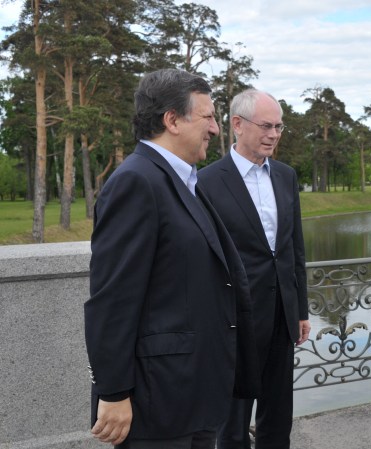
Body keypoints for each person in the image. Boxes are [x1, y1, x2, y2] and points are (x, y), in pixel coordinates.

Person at [84, 68, 259, 448]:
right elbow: (113, 299)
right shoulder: (136, 182)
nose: (215, 129)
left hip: (192, 393)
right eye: (209, 117)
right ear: (172, 120)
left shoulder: (182, 180)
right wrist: (113, 393)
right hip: (157, 403)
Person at [198, 88, 310, 449]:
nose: (274, 134)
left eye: (279, 126)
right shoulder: (207, 182)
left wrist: (301, 309)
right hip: (235, 318)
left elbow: (294, 249)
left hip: (282, 316)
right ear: (237, 125)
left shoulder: (286, 176)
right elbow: (205, 257)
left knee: (278, 416)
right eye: (266, 126)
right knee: (232, 422)